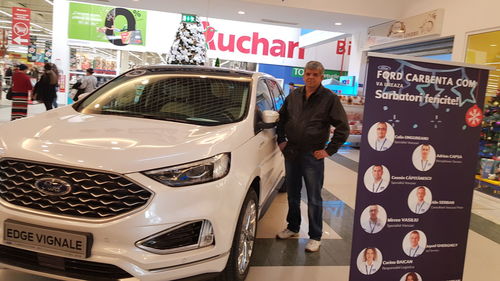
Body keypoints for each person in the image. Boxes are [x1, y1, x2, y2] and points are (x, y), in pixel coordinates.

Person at [275, 61, 349, 252]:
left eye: (315, 75)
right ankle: (293, 227)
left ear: (321, 77)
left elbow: (343, 128)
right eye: (308, 74)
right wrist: (281, 140)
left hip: (312, 155)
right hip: (291, 152)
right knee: (292, 194)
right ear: (303, 76)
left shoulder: (329, 99)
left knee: (314, 197)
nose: (310, 77)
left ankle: (315, 236)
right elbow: (281, 119)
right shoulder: (294, 95)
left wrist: (328, 150)